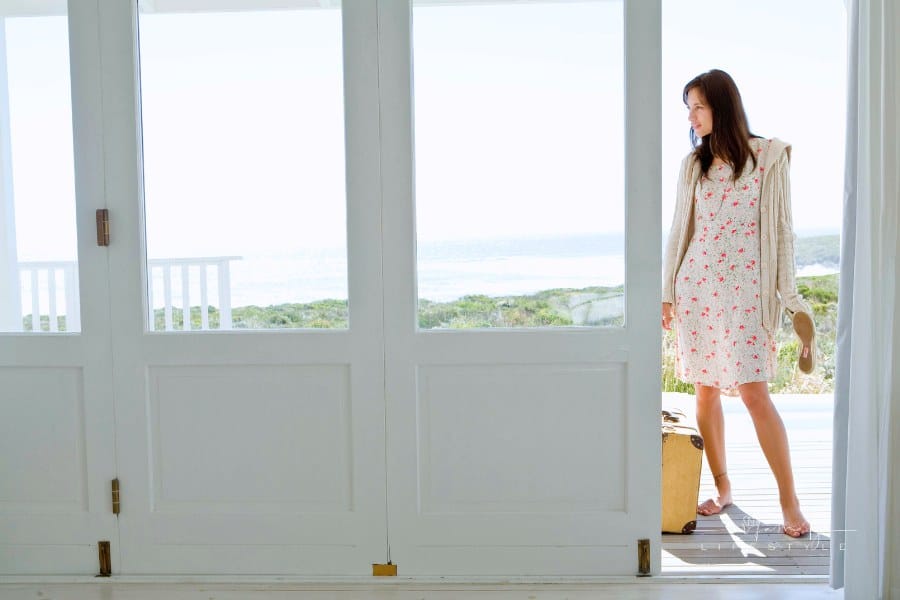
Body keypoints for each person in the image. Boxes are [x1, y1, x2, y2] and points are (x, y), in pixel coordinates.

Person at [661, 69, 815, 538]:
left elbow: (781, 232)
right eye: (688, 108)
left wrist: (791, 299)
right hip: (699, 290)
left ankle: (789, 502)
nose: (691, 116)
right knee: (704, 392)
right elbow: (678, 232)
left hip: (747, 294)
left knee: (754, 394)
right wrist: (668, 292)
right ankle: (724, 487)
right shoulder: (694, 165)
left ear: (722, 105)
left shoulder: (767, 157)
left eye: (698, 106)